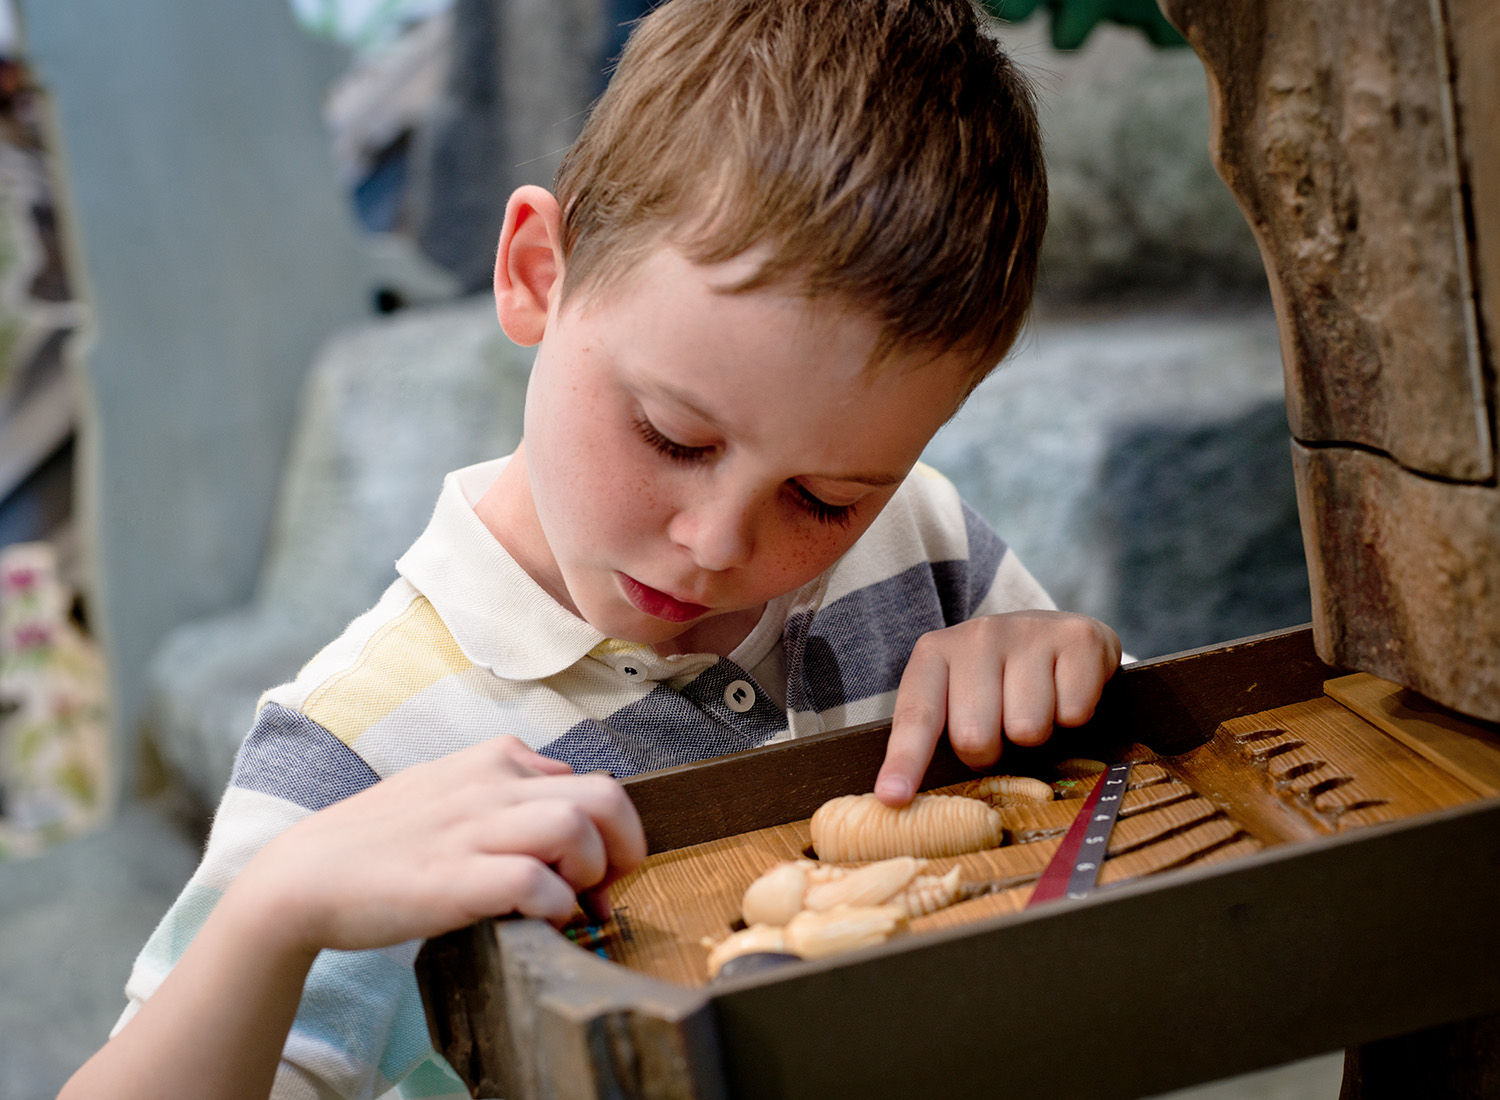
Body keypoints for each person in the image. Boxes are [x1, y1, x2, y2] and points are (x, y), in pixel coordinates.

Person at [63, 0, 1122, 1096]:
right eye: (673, 435)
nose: (715, 543)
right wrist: (273, 914)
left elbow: (1121, 827)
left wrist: (1066, 669)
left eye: (822, 496)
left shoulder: (926, 545)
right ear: (534, 271)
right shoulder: (361, 747)